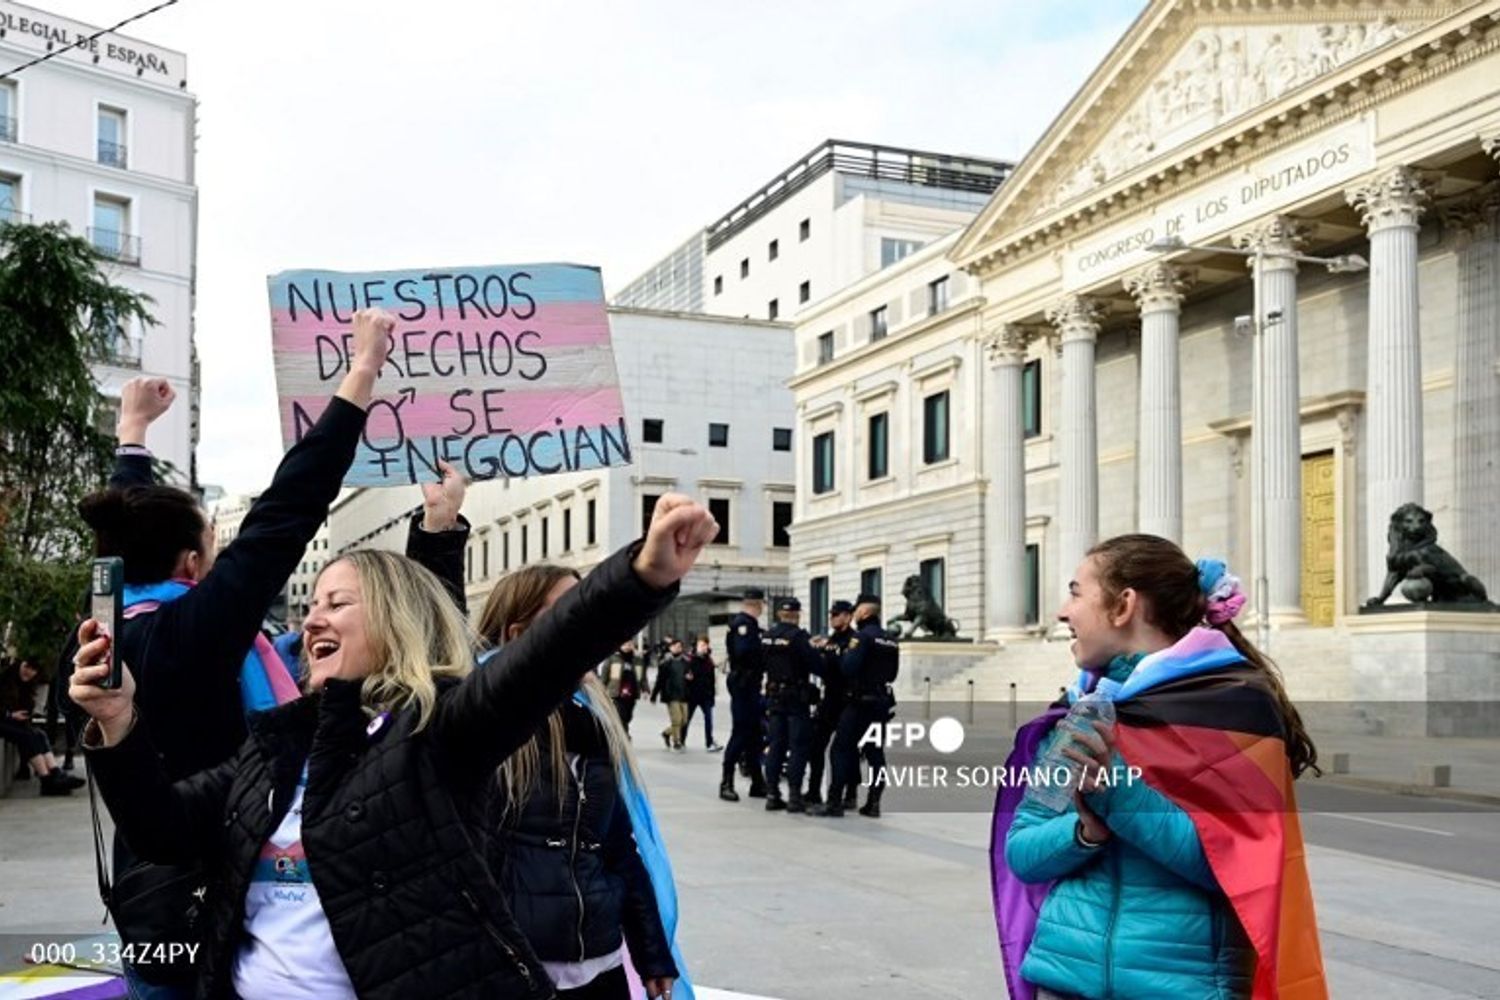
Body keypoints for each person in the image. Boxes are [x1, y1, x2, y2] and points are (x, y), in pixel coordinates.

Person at [71, 492, 717, 1000]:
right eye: (314, 603)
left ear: (393, 620)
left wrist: (640, 577)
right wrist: (119, 722)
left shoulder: (439, 734)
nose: (314, 619)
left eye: (338, 602)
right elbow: (162, 832)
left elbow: (540, 660)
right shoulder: (273, 745)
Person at [75, 319, 470, 997]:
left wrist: (132, 436)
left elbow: (121, 540)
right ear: (196, 563)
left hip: (148, 902)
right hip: (215, 902)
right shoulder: (193, 632)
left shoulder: (99, 632)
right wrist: (361, 374)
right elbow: (288, 507)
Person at [991, 535, 1326, 1000]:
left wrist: (1117, 797)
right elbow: (1022, 853)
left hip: (1183, 987)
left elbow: (1240, 866)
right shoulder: (1084, 711)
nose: (1062, 613)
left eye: (1075, 592)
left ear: (1123, 605)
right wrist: (1086, 833)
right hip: (1065, 981)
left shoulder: (1232, 711)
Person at [477, 566, 684, 1000]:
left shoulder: (594, 725)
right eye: (572, 612)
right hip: (518, 968)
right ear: (519, 635)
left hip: (600, 964)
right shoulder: (484, 732)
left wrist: (652, 955)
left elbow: (619, 850)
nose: (591, 625)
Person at [814, 593, 897, 819]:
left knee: (840, 749)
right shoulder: (890, 639)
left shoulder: (862, 638)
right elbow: (892, 673)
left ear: (864, 612)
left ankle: (834, 802)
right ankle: (873, 802)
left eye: (858, 609)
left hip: (860, 702)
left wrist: (839, 656)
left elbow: (848, 668)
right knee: (875, 754)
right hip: (881, 702)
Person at [759, 597, 821, 814]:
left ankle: (772, 793)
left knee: (776, 744)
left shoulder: (767, 637)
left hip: (774, 695)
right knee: (798, 746)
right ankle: (795, 796)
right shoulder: (799, 637)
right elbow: (817, 665)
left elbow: (760, 663)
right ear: (797, 614)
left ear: (779, 615)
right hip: (796, 697)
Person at [0, 656, 82, 795]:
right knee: (27, 736)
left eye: (33, 669)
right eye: (26, 666)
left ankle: (55, 773)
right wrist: (10, 715)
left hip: (11, 721)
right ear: (21, 664)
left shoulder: (25, 684)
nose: (28, 671)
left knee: (39, 734)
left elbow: (26, 706)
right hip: (3, 721)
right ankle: (46, 780)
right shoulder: (4, 679)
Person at [718, 589, 767, 802]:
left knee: (754, 734)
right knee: (741, 731)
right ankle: (726, 782)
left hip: (750, 684)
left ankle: (758, 781)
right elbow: (743, 652)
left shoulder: (749, 624)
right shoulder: (743, 625)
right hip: (744, 684)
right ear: (757, 604)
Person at [805, 599, 854, 805]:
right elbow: (823, 667)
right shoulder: (831, 640)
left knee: (846, 749)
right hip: (830, 699)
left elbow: (846, 667)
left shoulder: (854, 640)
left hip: (847, 700)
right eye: (831, 615)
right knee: (816, 746)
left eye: (836, 615)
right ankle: (814, 790)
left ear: (847, 616)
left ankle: (848, 793)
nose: (832, 618)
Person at [680, 636, 721, 752]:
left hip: (706, 695)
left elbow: (712, 680)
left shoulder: (709, 661)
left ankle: (709, 742)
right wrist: (687, 678)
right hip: (692, 695)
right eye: (701, 645)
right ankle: (681, 740)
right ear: (696, 646)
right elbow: (684, 675)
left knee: (709, 719)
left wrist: (712, 695)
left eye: (705, 645)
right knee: (686, 719)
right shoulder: (690, 659)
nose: (704, 647)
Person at [655, 639, 690, 751]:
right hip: (671, 695)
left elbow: (689, 675)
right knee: (677, 720)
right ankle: (676, 741)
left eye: (679, 646)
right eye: (674, 646)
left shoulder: (685, 662)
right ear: (670, 648)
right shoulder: (665, 663)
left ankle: (666, 733)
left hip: (683, 694)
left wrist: (689, 678)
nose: (677, 648)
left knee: (684, 721)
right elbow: (660, 680)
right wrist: (654, 694)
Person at [601, 641, 642, 735]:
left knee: (628, 716)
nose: (627, 647)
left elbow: (642, 676)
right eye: (624, 644)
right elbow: (604, 676)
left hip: (632, 693)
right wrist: (601, 689)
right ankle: (624, 736)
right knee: (621, 716)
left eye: (630, 644)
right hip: (616, 693)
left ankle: (621, 732)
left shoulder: (637, 660)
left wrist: (645, 689)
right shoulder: (612, 658)